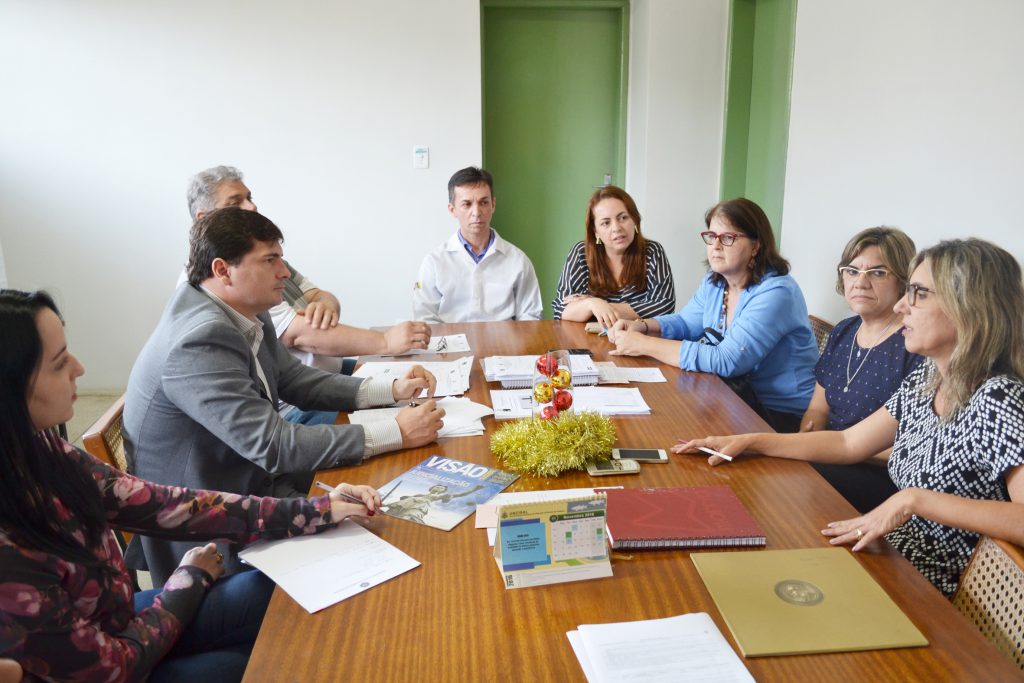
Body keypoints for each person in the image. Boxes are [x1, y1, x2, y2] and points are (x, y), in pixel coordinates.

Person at [0, 289, 381, 682]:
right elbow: (110, 669)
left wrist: (318, 510)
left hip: (119, 618)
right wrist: (188, 581)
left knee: (282, 595)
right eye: (59, 362)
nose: (79, 368)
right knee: (273, 662)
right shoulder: (8, 548)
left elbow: (166, 504)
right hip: (115, 662)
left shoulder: (39, 446)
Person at [676, 239, 1024, 598]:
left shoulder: (998, 399)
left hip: (936, 592)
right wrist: (755, 441)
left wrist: (914, 500)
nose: (903, 305)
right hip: (889, 557)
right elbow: (848, 441)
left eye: (918, 294)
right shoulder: (929, 379)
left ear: (969, 307)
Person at [126, 207, 444, 584]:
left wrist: (389, 391)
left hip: (254, 485)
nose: (285, 273)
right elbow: (273, 445)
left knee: (385, 509)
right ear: (222, 270)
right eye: (271, 260)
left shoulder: (245, 311)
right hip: (212, 533)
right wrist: (397, 431)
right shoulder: (199, 339)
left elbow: (296, 380)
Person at [187, 166, 433, 423]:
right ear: (204, 217)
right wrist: (385, 342)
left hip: (320, 376)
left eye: (250, 197)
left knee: (413, 401)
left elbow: (322, 298)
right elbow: (301, 335)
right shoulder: (235, 280)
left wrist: (324, 304)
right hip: (295, 405)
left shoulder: (266, 263)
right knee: (405, 421)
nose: (252, 207)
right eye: (236, 202)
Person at [608, 198, 817, 432]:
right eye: (711, 236)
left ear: (756, 246)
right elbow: (686, 322)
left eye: (728, 238)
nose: (715, 246)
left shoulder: (777, 293)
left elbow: (727, 361)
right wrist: (642, 326)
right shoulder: (716, 282)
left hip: (779, 416)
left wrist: (644, 345)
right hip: (731, 397)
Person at [803, 227, 924, 512]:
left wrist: (828, 450)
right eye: (852, 271)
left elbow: (911, 450)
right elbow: (817, 409)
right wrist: (809, 436)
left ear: (903, 283)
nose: (861, 282)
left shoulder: (914, 345)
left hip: (881, 478)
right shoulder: (844, 331)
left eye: (878, 273)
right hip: (830, 453)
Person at [412, 166, 543, 323]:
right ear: (452, 209)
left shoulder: (518, 260)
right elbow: (424, 318)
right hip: (451, 345)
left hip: (505, 345)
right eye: (467, 204)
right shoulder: (434, 261)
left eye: (484, 202)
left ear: (493, 205)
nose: (477, 212)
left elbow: (531, 316)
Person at [552, 185, 676, 328]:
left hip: (638, 339)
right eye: (606, 223)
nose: (616, 228)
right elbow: (561, 310)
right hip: (588, 341)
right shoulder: (581, 253)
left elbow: (665, 305)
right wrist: (592, 303)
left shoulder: (653, 251)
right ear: (595, 231)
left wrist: (602, 307)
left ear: (634, 220)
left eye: (623, 218)